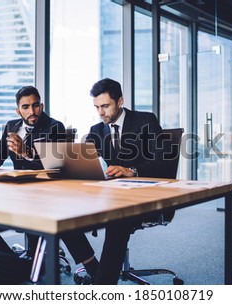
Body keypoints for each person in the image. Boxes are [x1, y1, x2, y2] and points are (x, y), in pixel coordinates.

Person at [61, 78, 166, 284]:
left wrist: (132, 171)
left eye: (105, 106)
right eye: (97, 107)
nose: (101, 112)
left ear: (120, 101)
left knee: (117, 220)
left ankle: (104, 286)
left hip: (142, 195)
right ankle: (94, 268)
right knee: (62, 213)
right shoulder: (96, 130)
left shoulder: (145, 121)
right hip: (110, 194)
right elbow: (84, 159)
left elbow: (162, 161)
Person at [0, 85, 66, 256]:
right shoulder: (11, 126)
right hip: (17, 189)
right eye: (26, 107)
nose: (32, 111)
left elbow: (54, 166)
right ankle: (5, 257)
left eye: (35, 105)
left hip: (44, 191)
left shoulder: (55, 127)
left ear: (42, 106)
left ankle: (35, 256)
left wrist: (26, 153)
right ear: (18, 111)